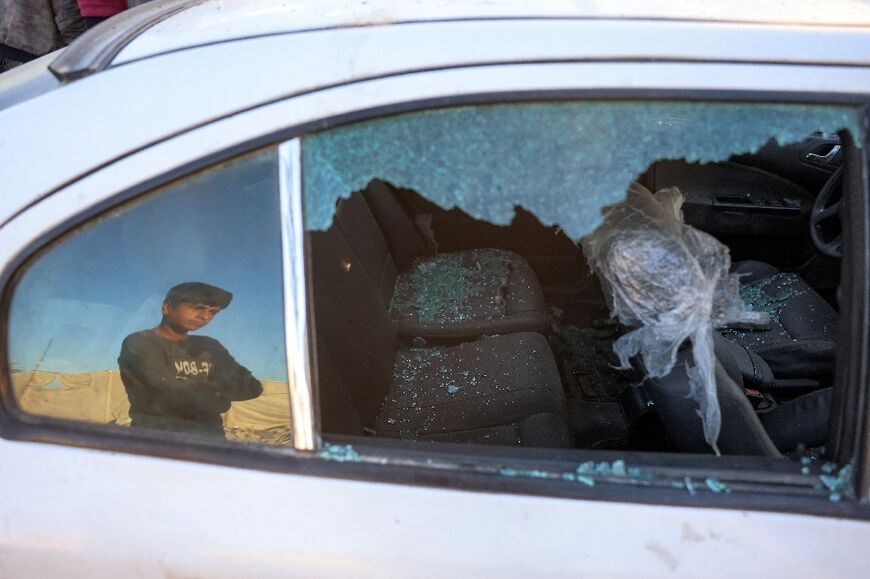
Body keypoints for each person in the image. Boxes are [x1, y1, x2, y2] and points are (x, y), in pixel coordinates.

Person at [118, 282, 263, 438]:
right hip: (157, 440)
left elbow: (252, 387)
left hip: (209, 441)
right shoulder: (140, 342)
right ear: (167, 307)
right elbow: (165, 391)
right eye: (198, 308)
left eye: (213, 312)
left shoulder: (209, 346)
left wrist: (203, 393)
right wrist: (219, 397)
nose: (205, 317)